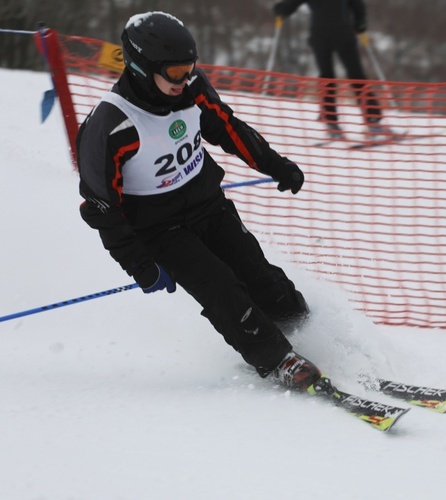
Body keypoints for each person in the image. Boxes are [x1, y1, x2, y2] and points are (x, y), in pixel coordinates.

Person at [76, 11, 323, 393]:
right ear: (142, 68)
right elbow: (100, 208)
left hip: (209, 203)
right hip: (161, 229)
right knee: (222, 288)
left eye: (190, 68)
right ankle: (276, 358)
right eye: (175, 72)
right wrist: (139, 264)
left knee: (257, 272)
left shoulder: (190, 90)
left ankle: (307, 330)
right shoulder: (111, 126)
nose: (185, 79)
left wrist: (275, 164)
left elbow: (227, 128)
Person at [271, 0, 389, 140]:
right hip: (334, 34)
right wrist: (360, 21)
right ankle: (348, 122)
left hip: (328, 35)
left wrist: (281, 9)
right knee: (342, 77)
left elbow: (290, 5)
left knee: (338, 77)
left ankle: (347, 122)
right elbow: (357, 5)